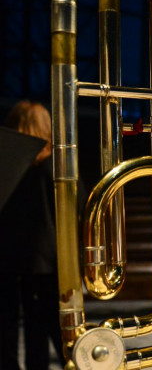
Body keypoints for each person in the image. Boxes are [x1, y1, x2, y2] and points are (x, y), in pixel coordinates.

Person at [0, 100, 64, 369]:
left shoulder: (8, 165)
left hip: (7, 255)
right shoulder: (57, 167)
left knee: (6, 326)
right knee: (46, 324)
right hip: (47, 259)